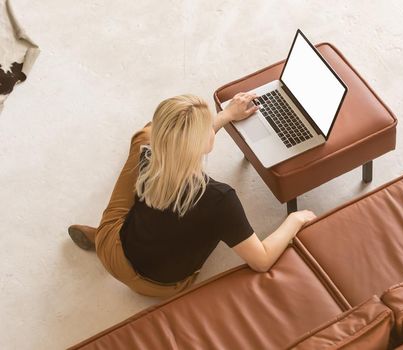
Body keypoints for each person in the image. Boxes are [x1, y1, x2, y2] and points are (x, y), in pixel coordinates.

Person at [67, 93, 316, 297]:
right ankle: (101, 238)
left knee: (144, 133)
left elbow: (178, 142)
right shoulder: (220, 199)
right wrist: (296, 219)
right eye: (207, 128)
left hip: (113, 250)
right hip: (162, 286)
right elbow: (261, 261)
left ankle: (101, 237)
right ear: (201, 142)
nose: (211, 129)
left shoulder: (148, 155)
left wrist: (226, 115)